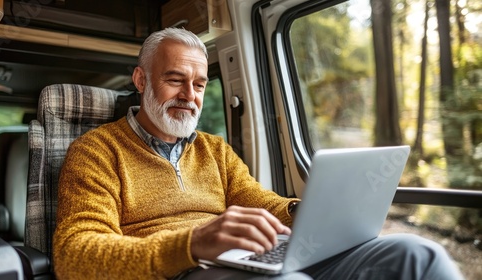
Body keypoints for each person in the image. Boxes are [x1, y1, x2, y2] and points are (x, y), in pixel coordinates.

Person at [53, 28, 463, 280]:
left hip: (245, 259)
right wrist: (191, 244)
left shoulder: (215, 150)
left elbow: (261, 202)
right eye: (175, 79)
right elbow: (75, 255)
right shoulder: (96, 151)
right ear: (141, 80)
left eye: (198, 84)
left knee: (416, 253)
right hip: (179, 270)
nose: (189, 96)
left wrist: (309, 211)